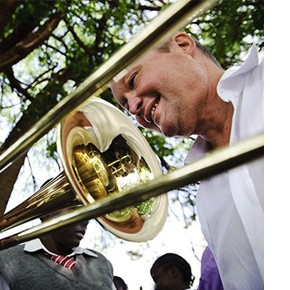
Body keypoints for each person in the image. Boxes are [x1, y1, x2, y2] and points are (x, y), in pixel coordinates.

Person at [111, 31, 264, 290]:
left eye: (134, 79)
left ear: (182, 45)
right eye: (126, 107)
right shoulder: (205, 200)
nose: (134, 108)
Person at [0, 202, 116, 289]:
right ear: (46, 212)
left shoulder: (102, 263)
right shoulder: (6, 260)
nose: (86, 219)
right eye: (75, 208)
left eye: (88, 212)